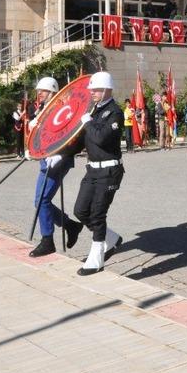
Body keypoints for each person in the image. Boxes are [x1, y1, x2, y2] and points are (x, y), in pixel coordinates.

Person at [66, 71, 125, 276]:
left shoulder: (115, 112)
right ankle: (110, 239)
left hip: (109, 170)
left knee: (97, 214)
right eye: (92, 90)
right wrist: (56, 152)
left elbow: (100, 138)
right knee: (80, 211)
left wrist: (88, 123)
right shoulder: (94, 111)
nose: (93, 93)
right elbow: (84, 140)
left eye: (97, 89)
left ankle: (96, 259)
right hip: (92, 169)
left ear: (108, 89)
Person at [26, 77, 82, 258]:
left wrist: (62, 154)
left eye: (42, 91)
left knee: (41, 199)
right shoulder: (41, 110)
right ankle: (70, 226)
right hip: (46, 159)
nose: (39, 94)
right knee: (40, 200)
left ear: (52, 91)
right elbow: (40, 137)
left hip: (59, 159)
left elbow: (71, 135)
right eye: (39, 91)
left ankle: (48, 241)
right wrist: (31, 136)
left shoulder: (62, 109)